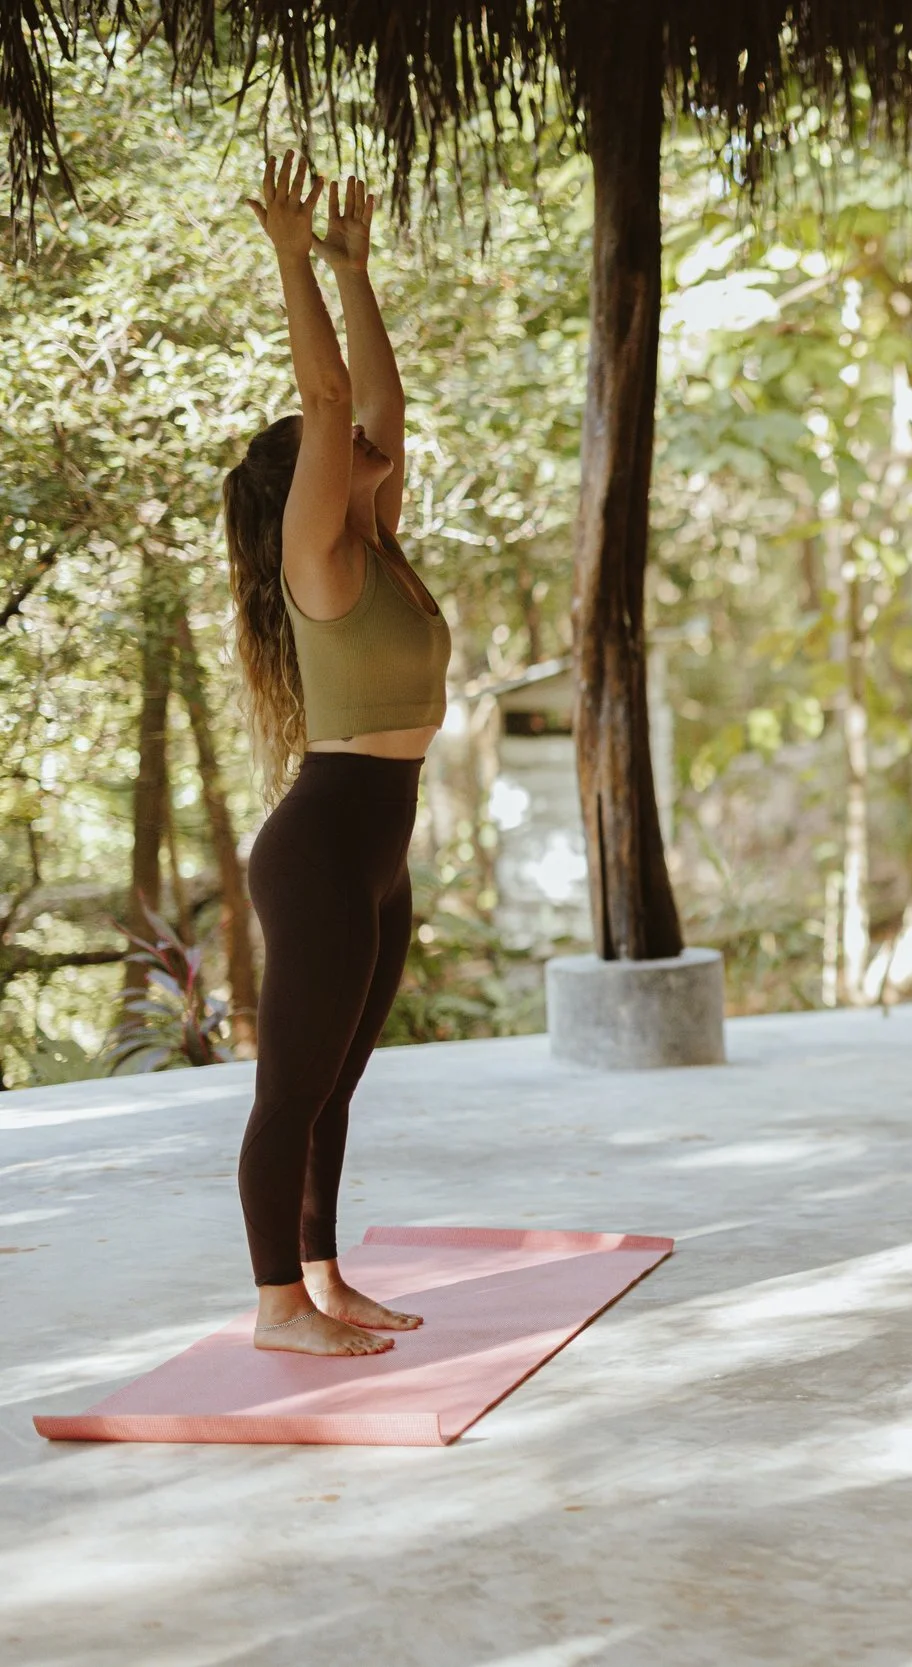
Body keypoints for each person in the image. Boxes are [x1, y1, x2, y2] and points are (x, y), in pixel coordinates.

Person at [225, 154, 446, 1356]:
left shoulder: (382, 546)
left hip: (379, 848)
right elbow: (327, 401)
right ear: (306, 485)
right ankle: (275, 1309)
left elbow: (382, 404)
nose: (364, 435)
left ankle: (321, 1274)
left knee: (336, 1084)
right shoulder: (323, 561)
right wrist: (293, 258)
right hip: (321, 851)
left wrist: (359, 271)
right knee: (290, 1090)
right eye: (340, 440)